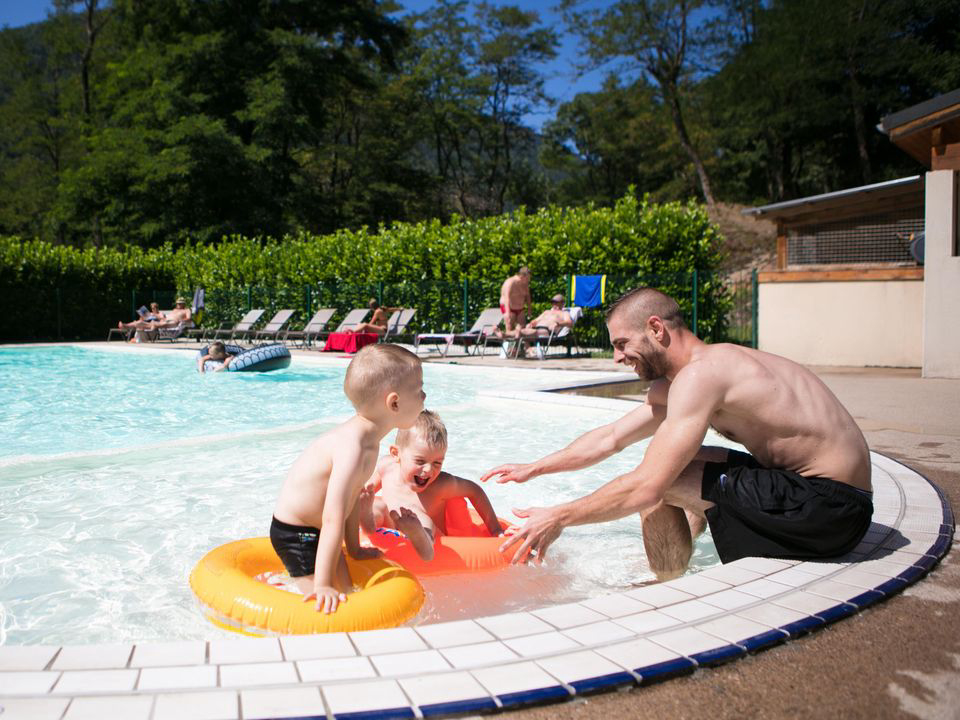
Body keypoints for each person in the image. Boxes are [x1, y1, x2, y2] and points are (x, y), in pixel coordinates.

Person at [482, 287, 873, 581]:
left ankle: (667, 586)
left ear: (655, 328)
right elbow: (612, 437)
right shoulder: (708, 368)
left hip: (832, 512)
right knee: (678, 460)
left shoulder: (701, 377)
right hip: (822, 495)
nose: (618, 357)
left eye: (622, 344)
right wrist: (534, 468)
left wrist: (559, 517)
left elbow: (646, 488)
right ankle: (682, 549)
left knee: (659, 479)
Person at [270, 344, 425, 613]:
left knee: (347, 592)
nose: (424, 395)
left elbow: (351, 500)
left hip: (319, 531)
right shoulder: (352, 448)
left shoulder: (370, 442)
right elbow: (333, 516)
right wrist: (322, 586)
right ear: (394, 402)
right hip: (297, 535)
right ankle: (288, 586)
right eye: (419, 389)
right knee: (329, 609)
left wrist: (354, 550)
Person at [359, 410, 502, 561]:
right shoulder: (386, 466)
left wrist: (496, 529)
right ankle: (367, 522)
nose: (428, 470)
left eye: (437, 463)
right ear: (396, 454)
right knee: (376, 505)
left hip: (427, 534)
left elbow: (474, 490)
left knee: (420, 517)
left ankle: (419, 536)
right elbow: (367, 492)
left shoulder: (442, 484)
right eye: (420, 461)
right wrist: (360, 502)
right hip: (390, 524)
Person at [118, 297, 192, 335]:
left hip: (174, 323)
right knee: (141, 322)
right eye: (178, 303)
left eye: (180, 303)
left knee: (154, 323)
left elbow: (189, 318)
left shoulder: (186, 310)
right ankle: (126, 325)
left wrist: (181, 320)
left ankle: (152, 328)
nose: (178, 304)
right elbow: (165, 317)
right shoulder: (174, 310)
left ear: (184, 304)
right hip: (164, 321)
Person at [498, 267, 532, 337]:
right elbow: (506, 297)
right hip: (509, 308)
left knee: (523, 329)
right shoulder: (510, 282)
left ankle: (524, 346)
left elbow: (528, 296)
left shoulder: (524, 283)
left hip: (520, 308)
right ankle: (505, 338)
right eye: (528, 278)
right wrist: (507, 312)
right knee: (509, 328)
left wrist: (529, 308)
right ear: (522, 276)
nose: (529, 280)